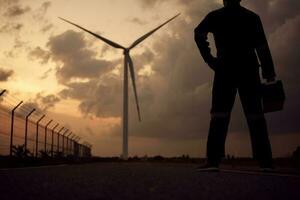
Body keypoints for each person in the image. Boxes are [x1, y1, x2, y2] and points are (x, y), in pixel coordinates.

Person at [194, 0, 276, 171]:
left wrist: (209, 59)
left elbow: (198, 33)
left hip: (225, 69)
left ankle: (213, 160)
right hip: (249, 70)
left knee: (219, 115)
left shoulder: (215, 16)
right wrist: (268, 72)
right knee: (256, 116)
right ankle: (265, 162)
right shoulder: (251, 17)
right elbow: (261, 46)